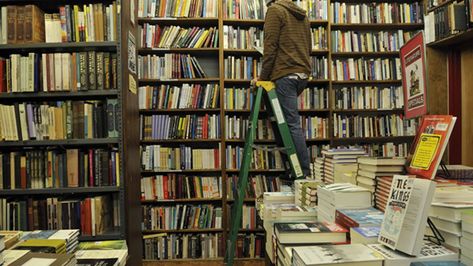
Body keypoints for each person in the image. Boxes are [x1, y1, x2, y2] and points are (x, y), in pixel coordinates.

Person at [252, 0, 312, 177]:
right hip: (301, 74)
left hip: (285, 74)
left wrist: (262, 79)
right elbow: (308, 48)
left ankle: (302, 172)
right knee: (282, 122)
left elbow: (270, 48)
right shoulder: (303, 16)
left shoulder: (274, 11)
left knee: (290, 124)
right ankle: (292, 168)